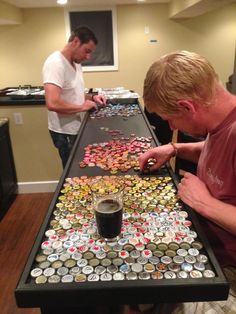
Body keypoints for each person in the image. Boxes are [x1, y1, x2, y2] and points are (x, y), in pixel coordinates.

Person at [138, 50, 236, 313]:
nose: (170, 126)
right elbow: (215, 149)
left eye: (169, 118)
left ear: (186, 107)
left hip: (227, 270)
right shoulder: (222, 123)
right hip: (202, 242)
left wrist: (205, 203)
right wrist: (174, 149)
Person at [43, 26, 106, 168]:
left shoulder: (76, 64)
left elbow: (73, 93)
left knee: (83, 168)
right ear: (76, 42)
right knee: (73, 173)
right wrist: (82, 107)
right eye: (87, 51)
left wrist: (91, 98)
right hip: (65, 131)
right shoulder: (55, 63)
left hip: (77, 126)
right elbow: (52, 103)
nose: (88, 56)